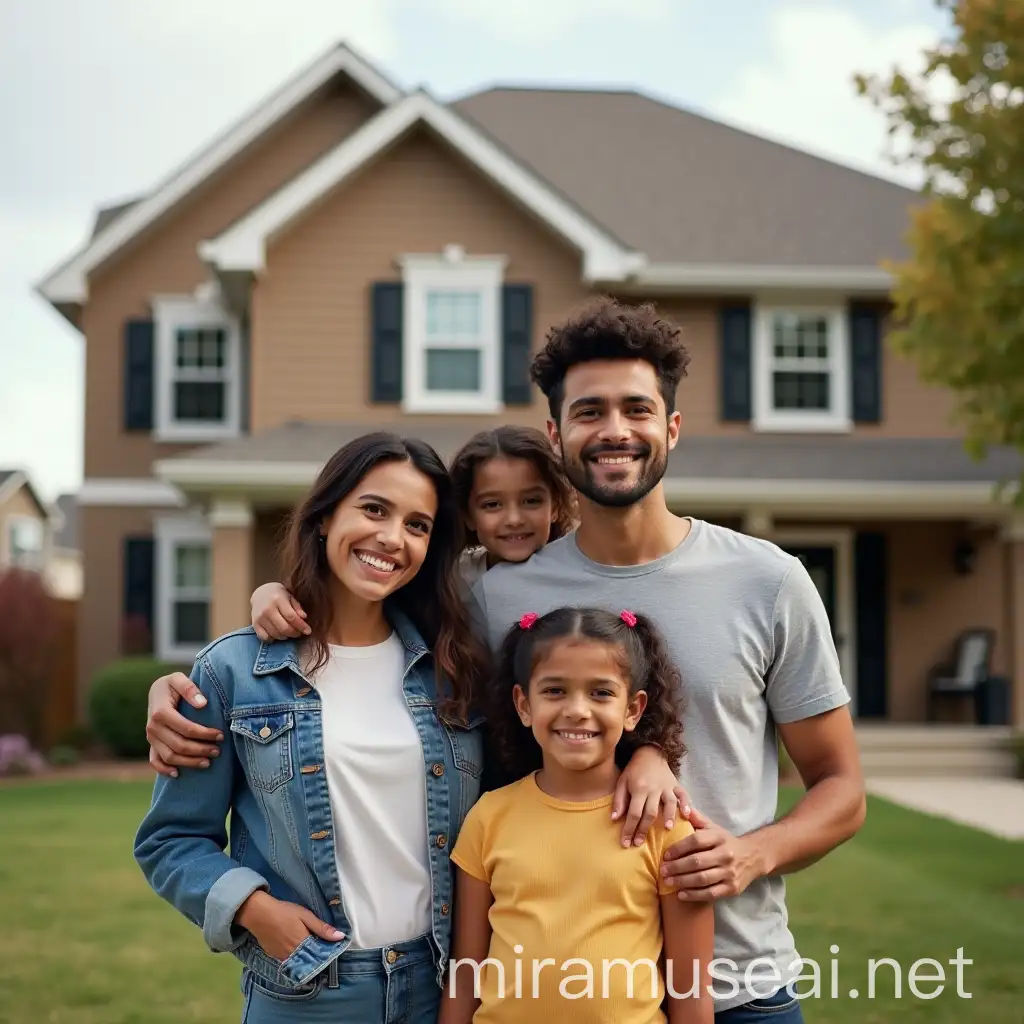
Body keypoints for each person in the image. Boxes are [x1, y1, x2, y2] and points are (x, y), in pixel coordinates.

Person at [144, 297, 866, 1020]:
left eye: (637, 409)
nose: (615, 429)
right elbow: (355, 616)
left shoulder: (768, 581)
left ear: (671, 426)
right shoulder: (491, 595)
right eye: (589, 412)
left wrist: (750, 852)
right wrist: (225, 644)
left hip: (739, 984)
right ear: (556, 435)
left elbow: (841, 788)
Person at [133, 432, 491, 1023]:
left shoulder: (455, 672)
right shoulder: (232, 673)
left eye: (418, 525)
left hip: (443, 988)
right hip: (309, 990)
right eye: (374, 509)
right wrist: (251, 907)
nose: (391, 538)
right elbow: (170, 841)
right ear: (325, 517)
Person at [440, 606, 714, 1024]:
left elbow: (691, 990)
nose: (577, 710)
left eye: (601, 692)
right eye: (554, 691)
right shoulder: (489, 817)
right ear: (523, 703)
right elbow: (465, 973)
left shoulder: (665, 825)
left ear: (633, 709)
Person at [448, 425, 576, 589]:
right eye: (492, 504)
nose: (514, 520)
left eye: (531, 501)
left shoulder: (576, 579)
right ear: (468, 515)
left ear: (555, 506)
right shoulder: (452, 584)